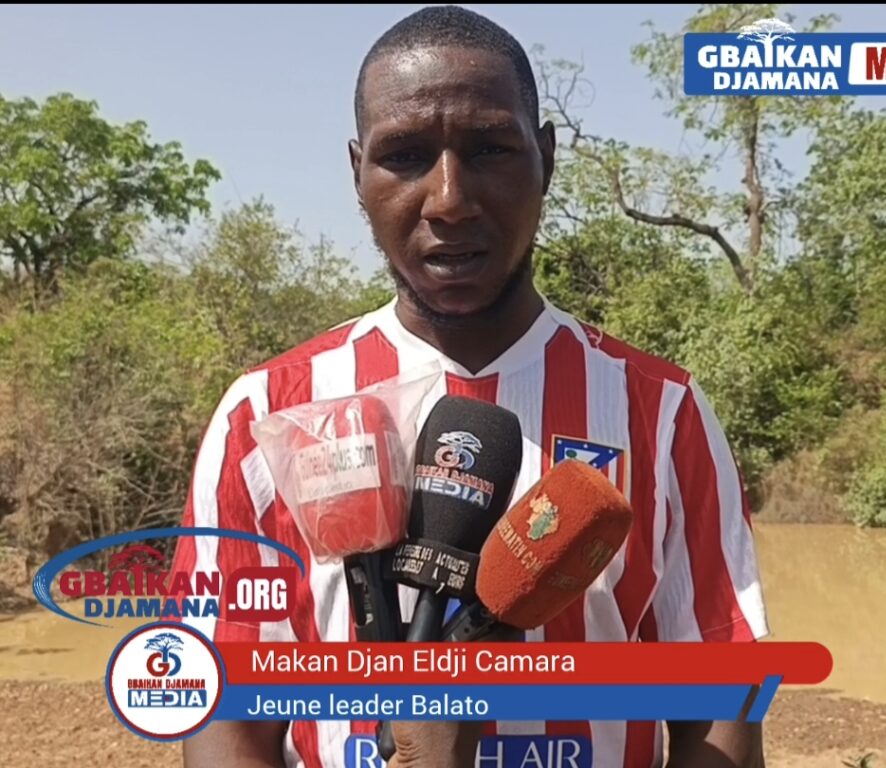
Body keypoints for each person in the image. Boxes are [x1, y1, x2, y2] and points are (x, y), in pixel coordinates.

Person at [176, 5, 769, 767]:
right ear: (357, 174)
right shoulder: (267, 412)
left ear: (545, 158)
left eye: (490, 148)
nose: (450, 198)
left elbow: (718, 698)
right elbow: (224, 706)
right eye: (405, 156)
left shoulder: (662, 411)